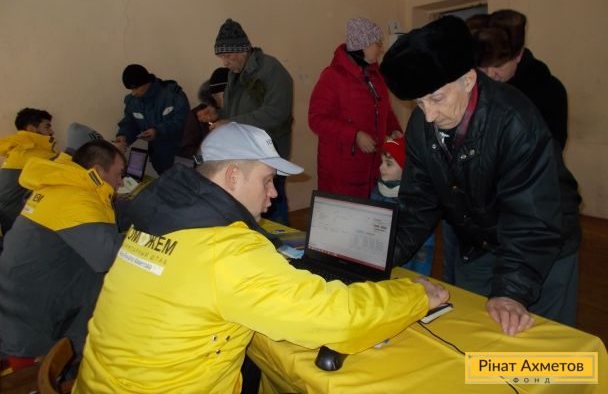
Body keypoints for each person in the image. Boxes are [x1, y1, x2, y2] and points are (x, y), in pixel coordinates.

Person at [73, 122, 448, 393]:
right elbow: (337, 317)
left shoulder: (154, 220)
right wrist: (414, 295)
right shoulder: (227, 249)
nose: (273, 194)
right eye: (267, 180)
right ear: (233, 176)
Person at [380, 16, 581, 335]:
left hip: (543, 242)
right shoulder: (422, 125)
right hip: (479, 239)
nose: (429, 115)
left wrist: (511, 291)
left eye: (436, 99)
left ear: (469, 80)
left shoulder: (514, 121)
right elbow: (418, 203)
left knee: (543, 343)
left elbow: (532, 219)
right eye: (419, 102)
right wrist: (376, 256)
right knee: (473, 333)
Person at [0, 140, 125, 370]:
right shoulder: (76, 198)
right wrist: (139, 237)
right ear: (98, 171)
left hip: (15, 303)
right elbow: (105, 258)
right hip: (33, 331)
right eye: (118, 174)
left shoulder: (58, 185)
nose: (121, 182)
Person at [210, 19, 294, 225]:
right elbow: (233, 111)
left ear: (242, 50)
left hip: (269, 153)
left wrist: (231, 123)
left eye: (228, 56)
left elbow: (277, 112)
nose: (225, 63)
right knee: (251, 212)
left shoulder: (271, 70)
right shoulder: (235, 74)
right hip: (246, 155)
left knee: (273, 209)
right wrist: (216, 115)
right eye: (222, 57)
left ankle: (280, 243)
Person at [309, 17, 402, 198]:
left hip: (373, 166)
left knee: (369, 211)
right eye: (378, 44)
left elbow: (385, 110)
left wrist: (394, 129)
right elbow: (317, 119)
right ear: (363, 45)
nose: (380, 49)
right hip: (341, 171)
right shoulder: (332, 76)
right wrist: (354, 135)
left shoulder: (375, 75)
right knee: (345, 213)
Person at [473, 9, 569, 150]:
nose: (491, 74)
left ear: (519, 55)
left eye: (498, 65)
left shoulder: (549, 90)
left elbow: (550, 151)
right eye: (484, 67)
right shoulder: (474, 84)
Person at [370, 136, 435, 276]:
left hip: (411, 259)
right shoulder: (378, 190)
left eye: (389, 164)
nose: (381, 167)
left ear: (405, 169)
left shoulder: (416, 200)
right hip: (384, 257)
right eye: (381, 162)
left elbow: (424, 248)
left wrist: (419, 276)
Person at [115, 64, 190, 174]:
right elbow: (130, 123)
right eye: (131, 89)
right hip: (159, 160)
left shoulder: (173, 95)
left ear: (146, 82)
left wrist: (158, 132)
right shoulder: (133, 102)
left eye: (136, 88)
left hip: (181, 155)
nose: (133, 93)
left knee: (186, 183)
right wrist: (123, 136)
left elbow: (183, 122)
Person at [0, 108, 56, 235]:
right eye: (47, 127)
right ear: (31, 129)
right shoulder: (29, 151)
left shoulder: (18, 148)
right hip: (17, 221)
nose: (52, 131)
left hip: (10, 220)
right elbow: (67, 169)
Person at [178, 68, 228, 164]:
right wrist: (207, 156)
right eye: (219, 96)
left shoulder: (245, 114)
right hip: (208, 167)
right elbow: (186, 151)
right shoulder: (198, 115)